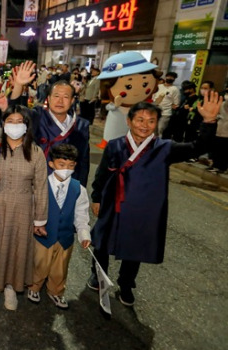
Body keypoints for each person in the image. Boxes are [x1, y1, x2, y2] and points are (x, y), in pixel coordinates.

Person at [88, 96, 221, 306]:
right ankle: (98, 274)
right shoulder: (115, 146)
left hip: (144, 210)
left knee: (135, 247)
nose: (145, 125)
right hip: (114, 204)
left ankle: (126, 283)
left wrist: (209, 122)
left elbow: (197, 147)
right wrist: (96, 198)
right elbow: (102, 174)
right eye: (140, 119)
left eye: (151, 121)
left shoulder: (165, 148)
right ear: (129, 121)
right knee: (102, 242)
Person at [0, 106, 48, 311]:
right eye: (10, 121)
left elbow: (41, 186)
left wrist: (40, 219)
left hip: (23, 209)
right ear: (3, 124)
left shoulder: (35, 152)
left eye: (19, 122)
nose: (15, 126)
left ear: (26, 126)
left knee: (16, 248)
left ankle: (10, 287)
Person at [28, 143, 91, 309]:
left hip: (65, 238)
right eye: (61, 165)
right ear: (51, 164)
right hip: (43, 236)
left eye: (70, 166)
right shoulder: (39, 185)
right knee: (39, 264)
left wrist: (84, 234)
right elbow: (32, 208)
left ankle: (56, 291)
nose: (66, 169)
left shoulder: (79, 189)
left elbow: (81, 214)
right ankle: (34, 286)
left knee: (60, 268)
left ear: (75, 166)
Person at [10, 61, 90, 186]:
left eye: (65, 97)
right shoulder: (38, 116)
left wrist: (81, 188)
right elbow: (14, 114)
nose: (60, 101)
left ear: (72, 100)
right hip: (38, 181)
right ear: (48, 98)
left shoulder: (81, 125)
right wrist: (19, 85)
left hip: (67, 183)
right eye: (56, 96)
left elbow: (84, 161)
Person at [153, 72, 180, 136]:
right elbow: (153, 97)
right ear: (165, 77)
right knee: (153, 129)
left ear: (174, 79)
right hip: (155, 111)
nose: (170, 78)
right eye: (168, 76)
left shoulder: (175, 89)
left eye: (172, 77)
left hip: (165, 113)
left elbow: (176, 103)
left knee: (160, 129)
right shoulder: (158, 86)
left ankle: (159, 144)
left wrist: (174, 106)